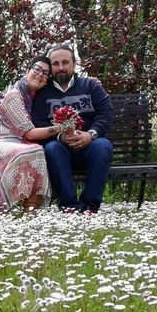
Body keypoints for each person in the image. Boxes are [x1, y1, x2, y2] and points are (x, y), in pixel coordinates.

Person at [31, 45, 114, 213]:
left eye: (65, 62)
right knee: (52, 148)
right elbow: (38, 123)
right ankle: (69, 205)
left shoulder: (91, 86)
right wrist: (60, 136)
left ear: (74, 64)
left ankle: (90, 205)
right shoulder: (43, 93)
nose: (61, 67)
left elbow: (106, 114)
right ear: (51, 67)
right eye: (55, 63)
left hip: (90, 145)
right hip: (61, 148)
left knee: (103, 146)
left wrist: (91, 135)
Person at [0, 57, 71, 212]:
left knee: (37, 150)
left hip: (23, 145)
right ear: (27, 71)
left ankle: (30, 212)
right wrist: (62, 127)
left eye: (45, 73)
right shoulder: (14, 96)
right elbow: (29, 134)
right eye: (37, 69)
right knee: (34, 151)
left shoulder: (36, 97)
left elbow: (66, 81)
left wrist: (89, 80)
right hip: (1, 144)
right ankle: (23, 210)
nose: (40, 74)